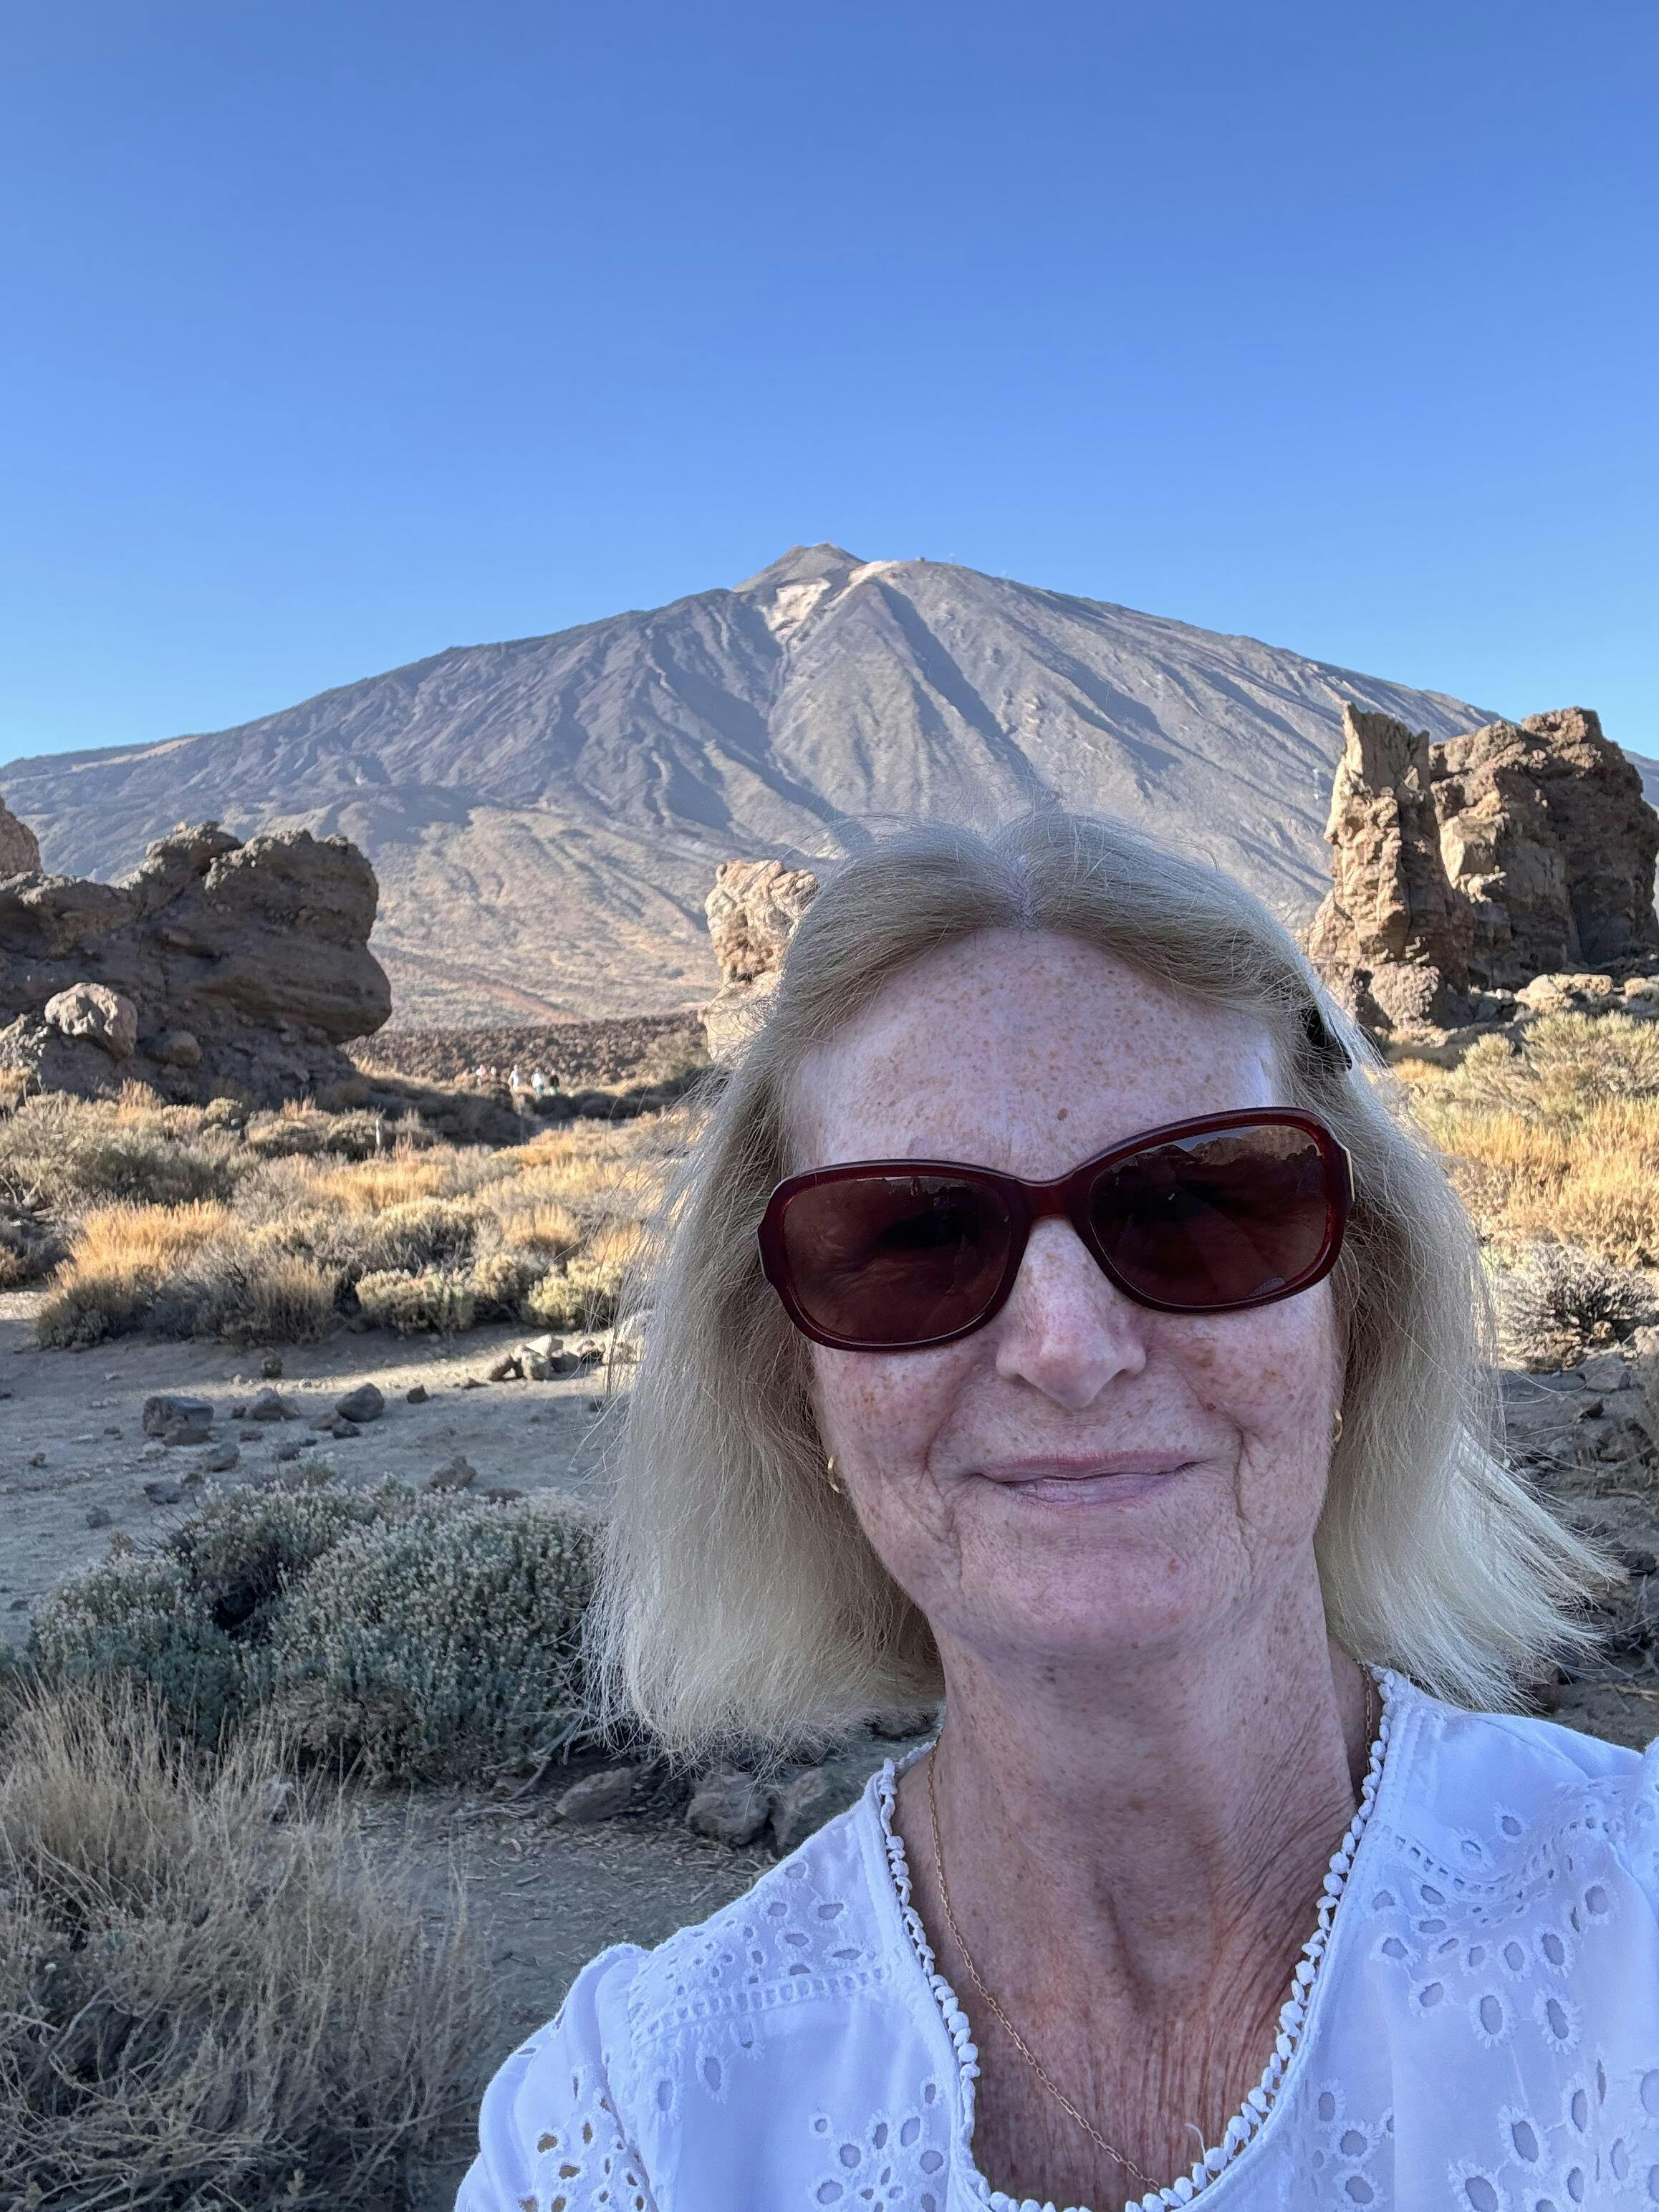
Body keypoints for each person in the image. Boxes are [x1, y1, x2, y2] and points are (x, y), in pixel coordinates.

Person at [456, 811, 1654, 2212]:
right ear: (798, 1380)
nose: (1069, 1348)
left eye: (1198, 1206)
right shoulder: (638, 2125)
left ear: (1357, 1311)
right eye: (917, 1237)